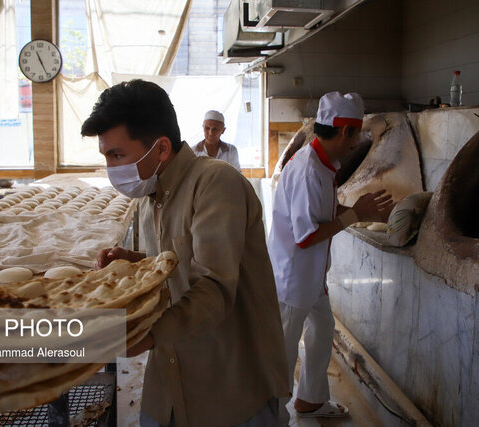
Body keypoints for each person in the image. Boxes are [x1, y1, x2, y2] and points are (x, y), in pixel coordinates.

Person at [82, 79, 289, 427]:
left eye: (117, 155)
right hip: (170, 376)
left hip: (229, 385)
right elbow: (171, 264)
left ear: (161, 149)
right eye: (106, 156)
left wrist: (144, 336)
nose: (111, 168)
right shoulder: (151, 197)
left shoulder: (215, 183)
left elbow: (214, 288)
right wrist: (135, 263)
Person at [267, 92, 394, 422]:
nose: (356, 144)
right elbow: (307, 235)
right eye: (356, 135)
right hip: (292, 279)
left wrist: (363, 212)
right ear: (345, 132)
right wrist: (355, 215)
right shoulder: (309, 170)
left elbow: (322, 212)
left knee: (322, 329)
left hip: (311, 276)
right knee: (283, 350)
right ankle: (270, 413)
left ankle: (309, 400)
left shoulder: (323, 163)